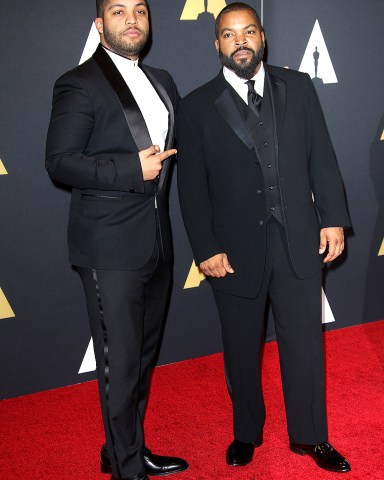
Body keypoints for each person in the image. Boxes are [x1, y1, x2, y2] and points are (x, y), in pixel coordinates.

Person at [177, 2, 351, 474]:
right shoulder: (194, 106)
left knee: (305, 347)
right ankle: (246, 432)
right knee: (239, 348)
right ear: (216, 44)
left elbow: (322, 157)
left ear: (262, 38)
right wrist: (206, 248)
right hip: (232, 251)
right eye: (229, 35)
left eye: (248, 31)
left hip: (298, 240)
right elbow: (191, 188)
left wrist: (332, 217)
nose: (240, 41)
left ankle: (312, 437)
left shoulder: (299, 87)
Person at [46, 1, 188, 479]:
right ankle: (128, 469)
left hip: (157, 242)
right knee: (120, 362)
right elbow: (60, 161)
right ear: (100, 23)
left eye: (141, 11)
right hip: (108, 248)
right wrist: (132, 169)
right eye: (119, 10)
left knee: (142, 358)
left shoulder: (163, 80)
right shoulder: (78, 82)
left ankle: (124, 448)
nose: (132, 19)